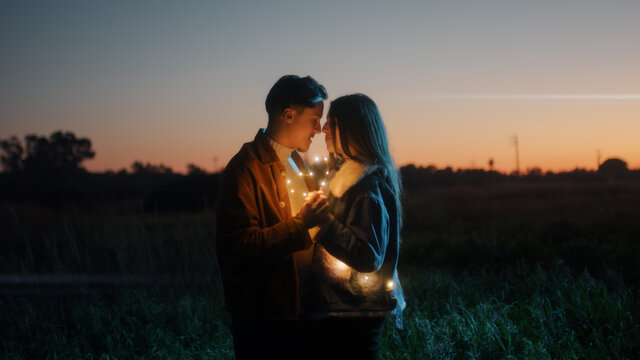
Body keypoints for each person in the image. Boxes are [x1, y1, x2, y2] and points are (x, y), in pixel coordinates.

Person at [215, 75, 329, 359]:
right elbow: (239, 246)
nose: (320, 128)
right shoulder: (245, 168)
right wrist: (301, 224)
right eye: (315, 119)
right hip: (266, 318)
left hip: (303, 309)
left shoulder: (296, 162)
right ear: (288, 114)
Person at [302, 94, 406, 360]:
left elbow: (368, 255)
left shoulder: (366, 187)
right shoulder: (347, 178)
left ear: (354, 129)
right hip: (346, 308)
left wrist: (322, 223)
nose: (324, 129)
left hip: (353, 311)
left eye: (333, 122)